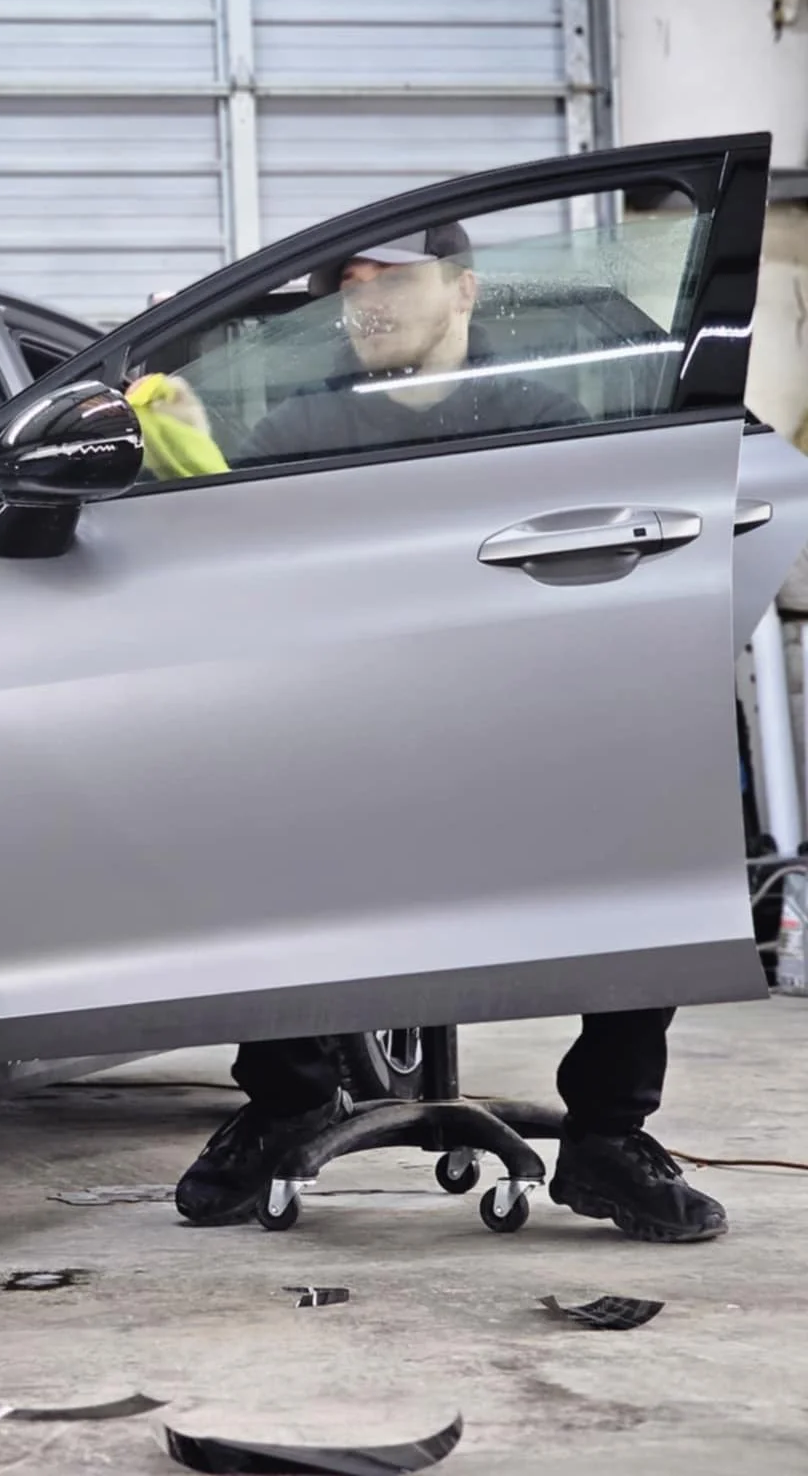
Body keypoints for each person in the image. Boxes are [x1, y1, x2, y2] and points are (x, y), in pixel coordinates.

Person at [150, 223, 728, 1243]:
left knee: (651, 813)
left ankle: (605, 1138)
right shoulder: (296, 430)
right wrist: (195, 463)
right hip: (345, 758)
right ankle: (289, 1099)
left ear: (461, 291)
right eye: (349, 282)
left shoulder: (537, 421)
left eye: (391, 278)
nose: (362, 299)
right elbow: (236, 594)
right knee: (220, 802)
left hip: (502, 754)